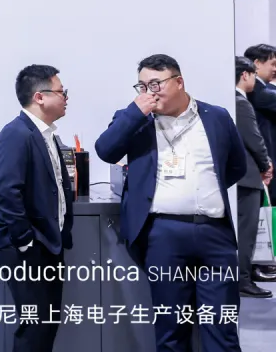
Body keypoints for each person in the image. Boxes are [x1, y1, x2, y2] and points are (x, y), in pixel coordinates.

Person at [95, 54, 246, 352]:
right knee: (171, 329)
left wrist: (204, 194)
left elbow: (236, 166)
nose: (149, 92)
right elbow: (106, 150)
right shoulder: (135, 120)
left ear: (179, 82)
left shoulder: (216, 116)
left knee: (222, 326)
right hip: (163, 235)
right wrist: (134, 113)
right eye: (142, 86)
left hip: (215, 234)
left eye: (155, 84)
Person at [0, 65, 74, 352]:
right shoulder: (16, 134)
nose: (66, 98)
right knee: (35, 326)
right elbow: (7, 192)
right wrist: (25, 240)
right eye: (61, 92)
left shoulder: (45, 134)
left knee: (46, 324)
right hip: (28, 247)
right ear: (40, 97)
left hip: (48, 242)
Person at [234, 56, 275, 296]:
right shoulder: (240, 103)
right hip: (248, 176)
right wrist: (266, 164)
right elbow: (254, 139)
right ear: (245, 75)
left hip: (238, 176)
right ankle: (243, 281)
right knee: (246, 232)